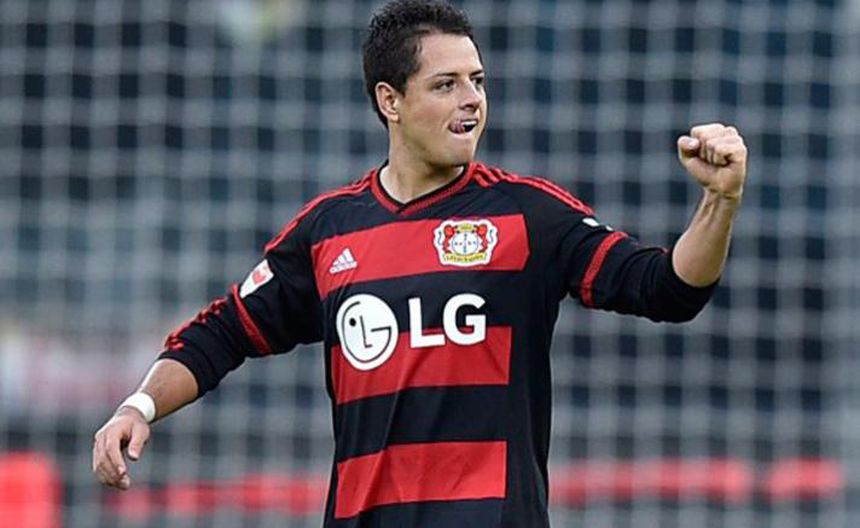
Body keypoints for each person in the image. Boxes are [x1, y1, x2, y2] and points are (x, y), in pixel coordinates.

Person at [92, 0, 748, 526]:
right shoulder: (329, 231)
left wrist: (720, 200)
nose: (472, 99)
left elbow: (667, 290)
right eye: (446, 84)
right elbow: (222, 332)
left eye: (478, 81)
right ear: (391, 101)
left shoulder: (528, 216)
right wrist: (138, 408)